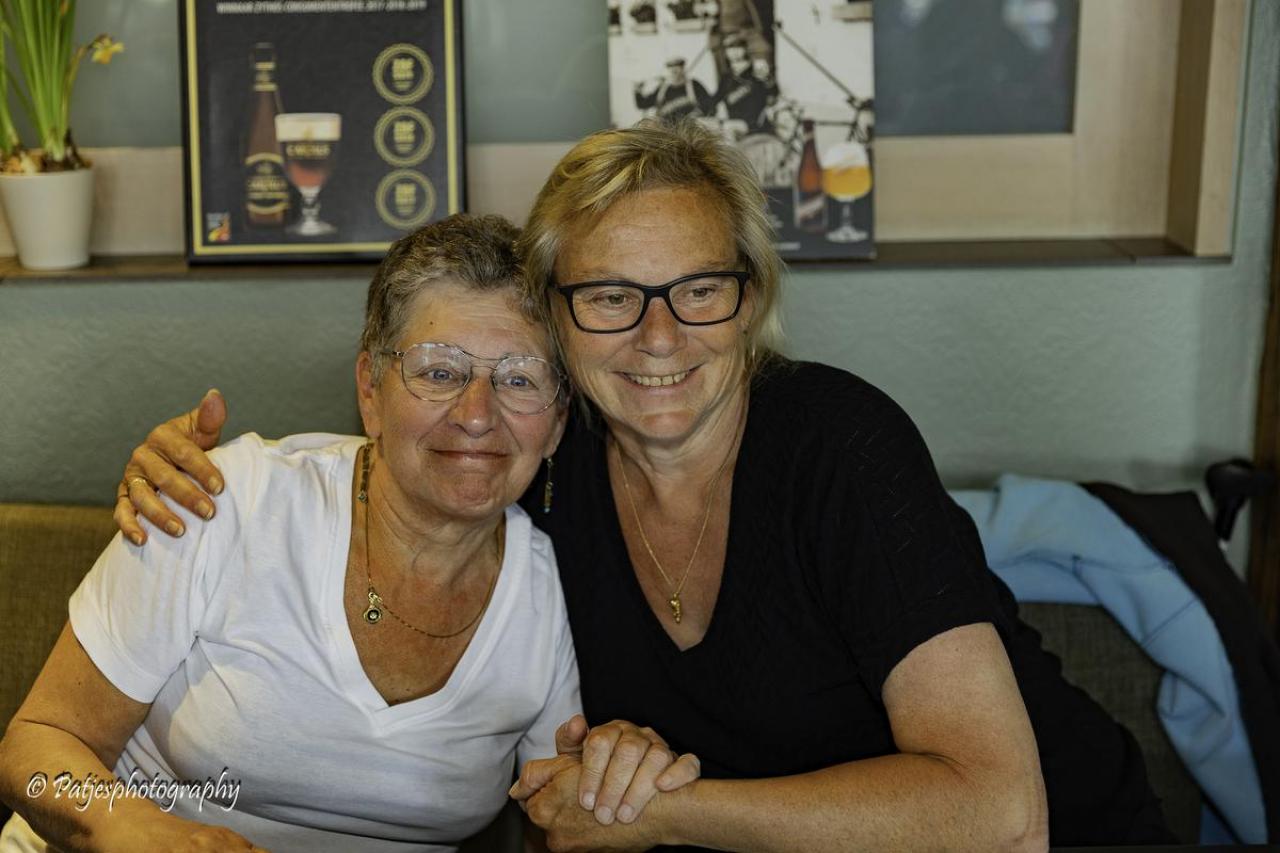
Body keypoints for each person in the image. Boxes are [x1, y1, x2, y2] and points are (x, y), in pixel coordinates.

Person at [113, 121, 1173, 850]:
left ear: (750, 301)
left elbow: (1001, 813)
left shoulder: (839, 447)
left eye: (698, 289)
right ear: (557, 321)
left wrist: (670, 811)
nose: (659, 338)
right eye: (612, 295)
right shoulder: (546, 462)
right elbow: (426, 431)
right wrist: (190, 471)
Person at [0, 214, 694, 853]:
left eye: (519, 379)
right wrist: (137, 830)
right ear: (370, 389)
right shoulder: (229, 498)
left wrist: (614, 774)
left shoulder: (550, 584)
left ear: (559, 418)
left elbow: (557, 820)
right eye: (440, 371)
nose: (478, 414)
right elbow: (36, 746)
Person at [633, 58, 716, 122]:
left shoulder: (694, 85)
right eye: (671, 68)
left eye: (677, 68)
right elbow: (642, 105)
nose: (674, 71)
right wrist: (637, 91)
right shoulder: (662, 88)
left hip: (690, 130)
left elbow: (710, 107)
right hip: (666, 131)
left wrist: (697, 115)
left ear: (683, 69)